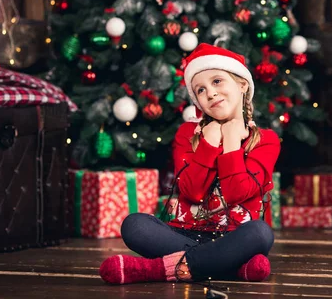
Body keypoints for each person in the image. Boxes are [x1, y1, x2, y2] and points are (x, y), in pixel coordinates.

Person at [99, 43, 281, 284]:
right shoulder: (187, 134)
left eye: (217, 81)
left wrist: (231, 143)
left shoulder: (266, 140)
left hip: (236, 237)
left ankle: (158, 269)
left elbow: (237, 193)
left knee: (260, 233)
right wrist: (209, 142)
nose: (211, 93)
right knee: (135, 225)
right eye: (201, 90)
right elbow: (192, 192)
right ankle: (229, 266)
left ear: (242, 84)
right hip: (182, 233)